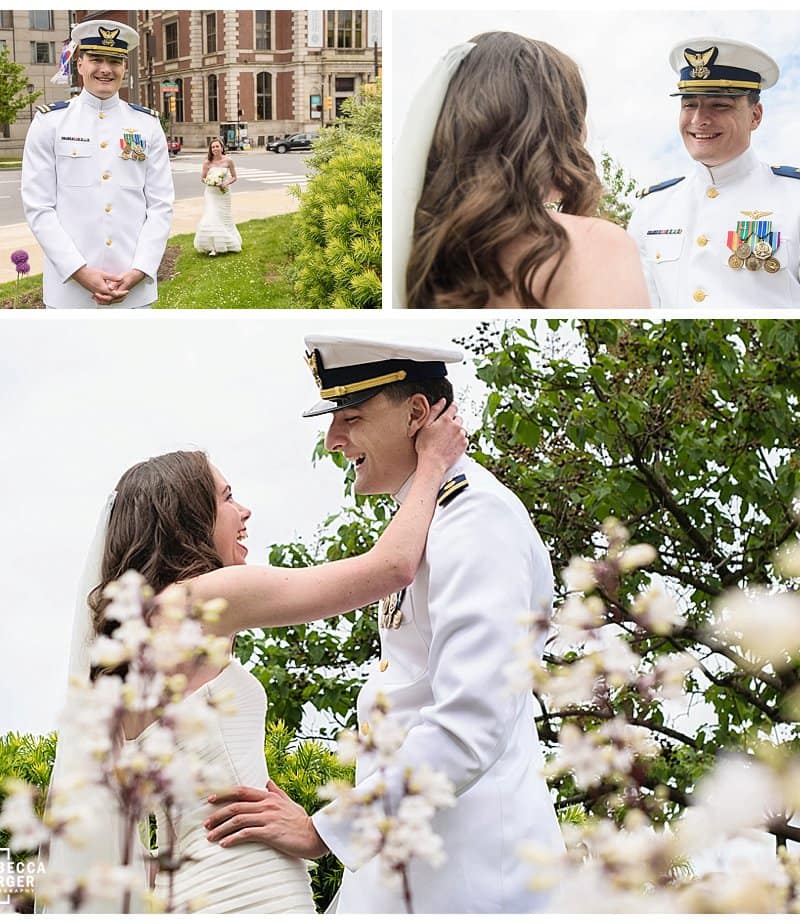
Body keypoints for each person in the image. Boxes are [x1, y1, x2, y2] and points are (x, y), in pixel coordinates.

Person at [41, 409, 465, 913]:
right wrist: (433, 463)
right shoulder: (200, 599)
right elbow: (390, 568)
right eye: (225, 498)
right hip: (244, 884)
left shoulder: (130, 640)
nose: (243, 512)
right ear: (187, 516)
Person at [205, 334, 566, 913]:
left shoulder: (476, 521)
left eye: (349, 417)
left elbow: (469, 724)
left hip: (468, 884)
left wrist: (326, 831)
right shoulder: (432, 514)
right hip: (411, 876)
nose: (333, 440)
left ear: (416, 415)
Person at [394, 31, 649, 309]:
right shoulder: (598, 246)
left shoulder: (420, 250)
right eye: (576, 116)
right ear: (552, 131)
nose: (584, 134)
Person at [627, 37, 800, 309]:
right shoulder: (651, 209)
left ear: (755, 116)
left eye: (719, 105)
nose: (699, 119)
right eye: (689, 105)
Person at [21, 20, 174, 308]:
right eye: (96, 59)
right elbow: (39, 207)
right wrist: (80, 272)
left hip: (133, 291)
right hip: (70, 293)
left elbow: (161, 206)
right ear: (79, 64)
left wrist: (141, 269)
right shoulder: (50, 122)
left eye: (115, 61)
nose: (106, 69)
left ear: (125, 69)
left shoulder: (147, 125)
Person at [193, 137, 242, 257]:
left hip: (224, 193)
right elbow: (203, 178)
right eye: (213, 147)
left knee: (224, 217)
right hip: (211, 193)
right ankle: (212, 247)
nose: (215, 148)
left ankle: (229, 243)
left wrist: (226, 183)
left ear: (221, 147)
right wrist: (211, 182)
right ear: (211, 149)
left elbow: (234, 177)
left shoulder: (228, 161)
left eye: (217, 146)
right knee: (211, 215)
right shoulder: (207, 162)